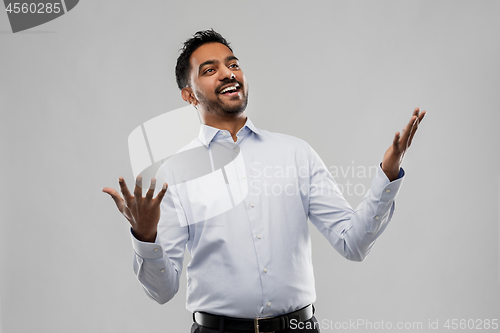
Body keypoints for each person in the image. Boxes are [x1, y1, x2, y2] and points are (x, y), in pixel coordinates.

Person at [102, 29, 426, 333]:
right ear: (189, 94)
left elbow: (352, 243)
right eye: (209, 69)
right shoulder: (176, 174)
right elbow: (162, 290)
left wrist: (387, 174)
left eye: (233, 64)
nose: (228, 73)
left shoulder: (296, 153)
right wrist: (145, 236)